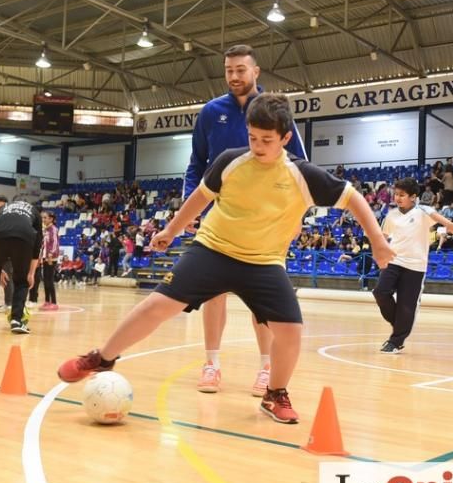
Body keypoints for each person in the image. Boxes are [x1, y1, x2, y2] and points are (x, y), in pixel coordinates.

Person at [57, 94, 395, 424]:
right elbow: (199, 199)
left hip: (263, 262)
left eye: (267, 139)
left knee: (291, 331)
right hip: (213, 249)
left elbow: (354, 199)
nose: (258, 145)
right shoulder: (231, 161)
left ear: (286, 138)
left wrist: (377, 242)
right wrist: (172, 230)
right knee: (156, 305)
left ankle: (274, 394)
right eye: (252, 137)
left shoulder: (302, 174)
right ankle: (101, 359)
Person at [183, 44, 308, 396]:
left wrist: (296, 215)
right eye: (228, 70)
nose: (234, 76)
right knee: (214, 293)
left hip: (267, 219)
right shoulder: (211, 112)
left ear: (256, 71)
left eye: (241, 69)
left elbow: (300, 164)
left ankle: (266, 369)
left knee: (262, 299)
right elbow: (197, 164)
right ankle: (212, 364)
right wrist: (189, 206)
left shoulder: (273, 110)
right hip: (220, 214)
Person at [373, 178, 453, 353]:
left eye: (402, 195)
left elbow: (435, 216)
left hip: (415, 266)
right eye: (396, 194)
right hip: (394, 261)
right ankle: (401, 322)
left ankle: (396, 341)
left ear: (413, 197)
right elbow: (384, 236)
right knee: (380, 292)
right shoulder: (391, 214)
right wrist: (379, 251)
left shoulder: (422, 211)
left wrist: (449, 225)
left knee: (406, 305)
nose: (398, 198)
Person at [0, 198, 42, 334]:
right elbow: (37, 245)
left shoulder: (3, 208)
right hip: (24, 238)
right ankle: (16, 320)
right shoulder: (35, 211)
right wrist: (30, 273)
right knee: (21, 280)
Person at [39, 211, 60, 310]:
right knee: (45, 280)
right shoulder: (45, 230)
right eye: (43, 218)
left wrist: (50, 255)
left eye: (45, 218)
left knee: (50, 280)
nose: (43, 220)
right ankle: (47, 301)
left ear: (51, 219)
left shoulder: (53, 229)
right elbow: (43, 245)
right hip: (45, 257)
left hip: (51, 258)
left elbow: (54, 243)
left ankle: (54, 302)